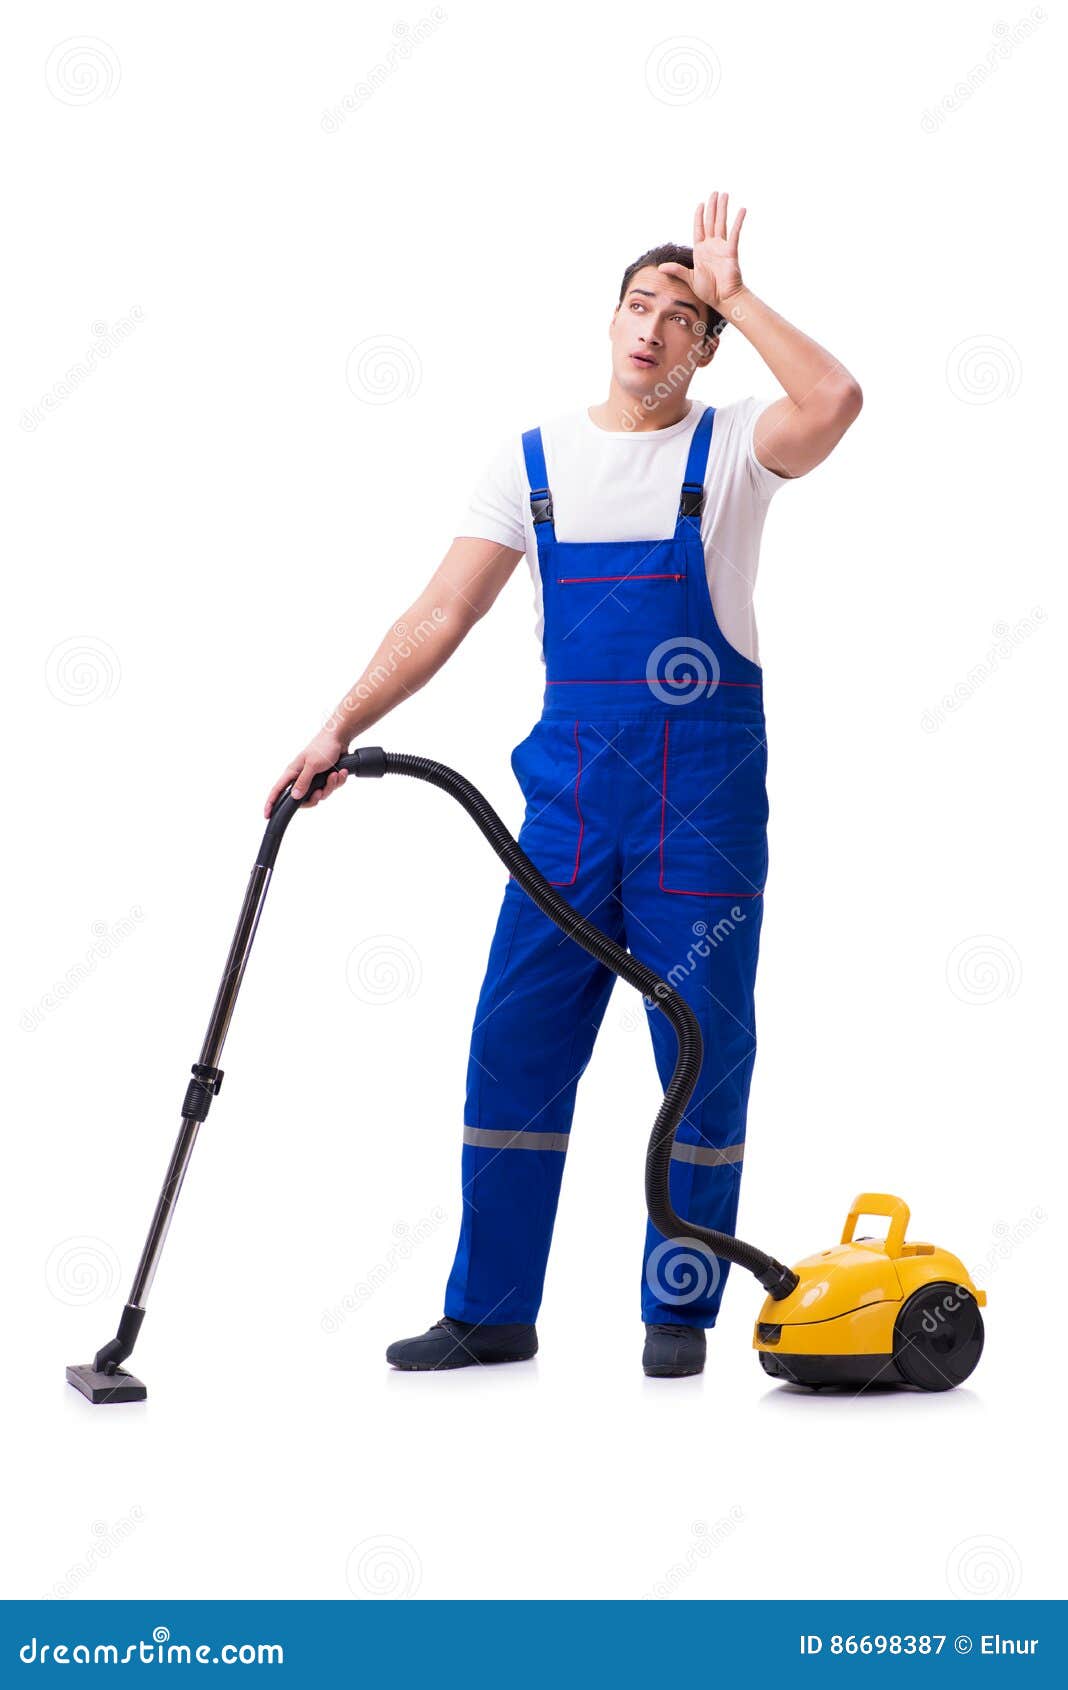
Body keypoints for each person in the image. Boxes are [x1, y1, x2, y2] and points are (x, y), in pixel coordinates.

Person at [265, 191, 862, 1377]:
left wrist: (737, 288)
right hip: (566, 812)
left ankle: (676, 1311)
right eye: (638, 305)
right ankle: (492, 1309)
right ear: (611, 318)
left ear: (706, 346)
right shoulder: (533, 462)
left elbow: (836, 400)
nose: (650, 329)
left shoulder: (735, 449)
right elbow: (442, 609)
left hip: (703, 815)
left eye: (682, 316)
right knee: (514, 1046)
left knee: (702, 1049)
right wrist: (338, 722)